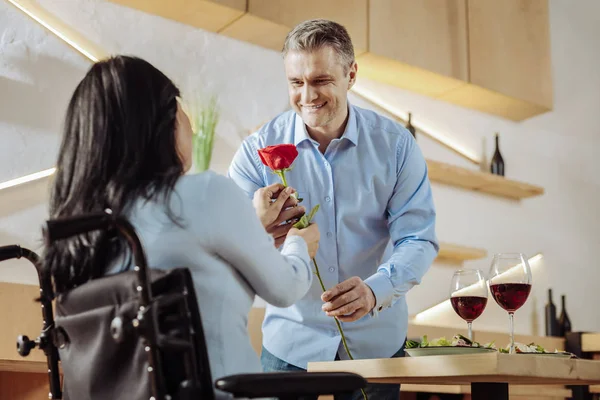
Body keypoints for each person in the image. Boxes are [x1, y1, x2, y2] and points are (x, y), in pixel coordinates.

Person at [41, 55, 320, 383]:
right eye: (179, 106)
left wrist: (252, 228)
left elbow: (182, 261)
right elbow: (285, 288)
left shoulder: (76, 234)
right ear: (161, 123)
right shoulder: (206, 193)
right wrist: (298, 245)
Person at [228, 19, 439, 400]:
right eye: (296, 82)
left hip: (375, 349)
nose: (307, 95)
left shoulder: (396, 147)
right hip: (289, 344)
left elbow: (418, 238)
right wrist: (257, 227)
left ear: (351, 74)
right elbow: (230, 245)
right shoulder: (255, 152)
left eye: (321, 80)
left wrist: (376, 292)